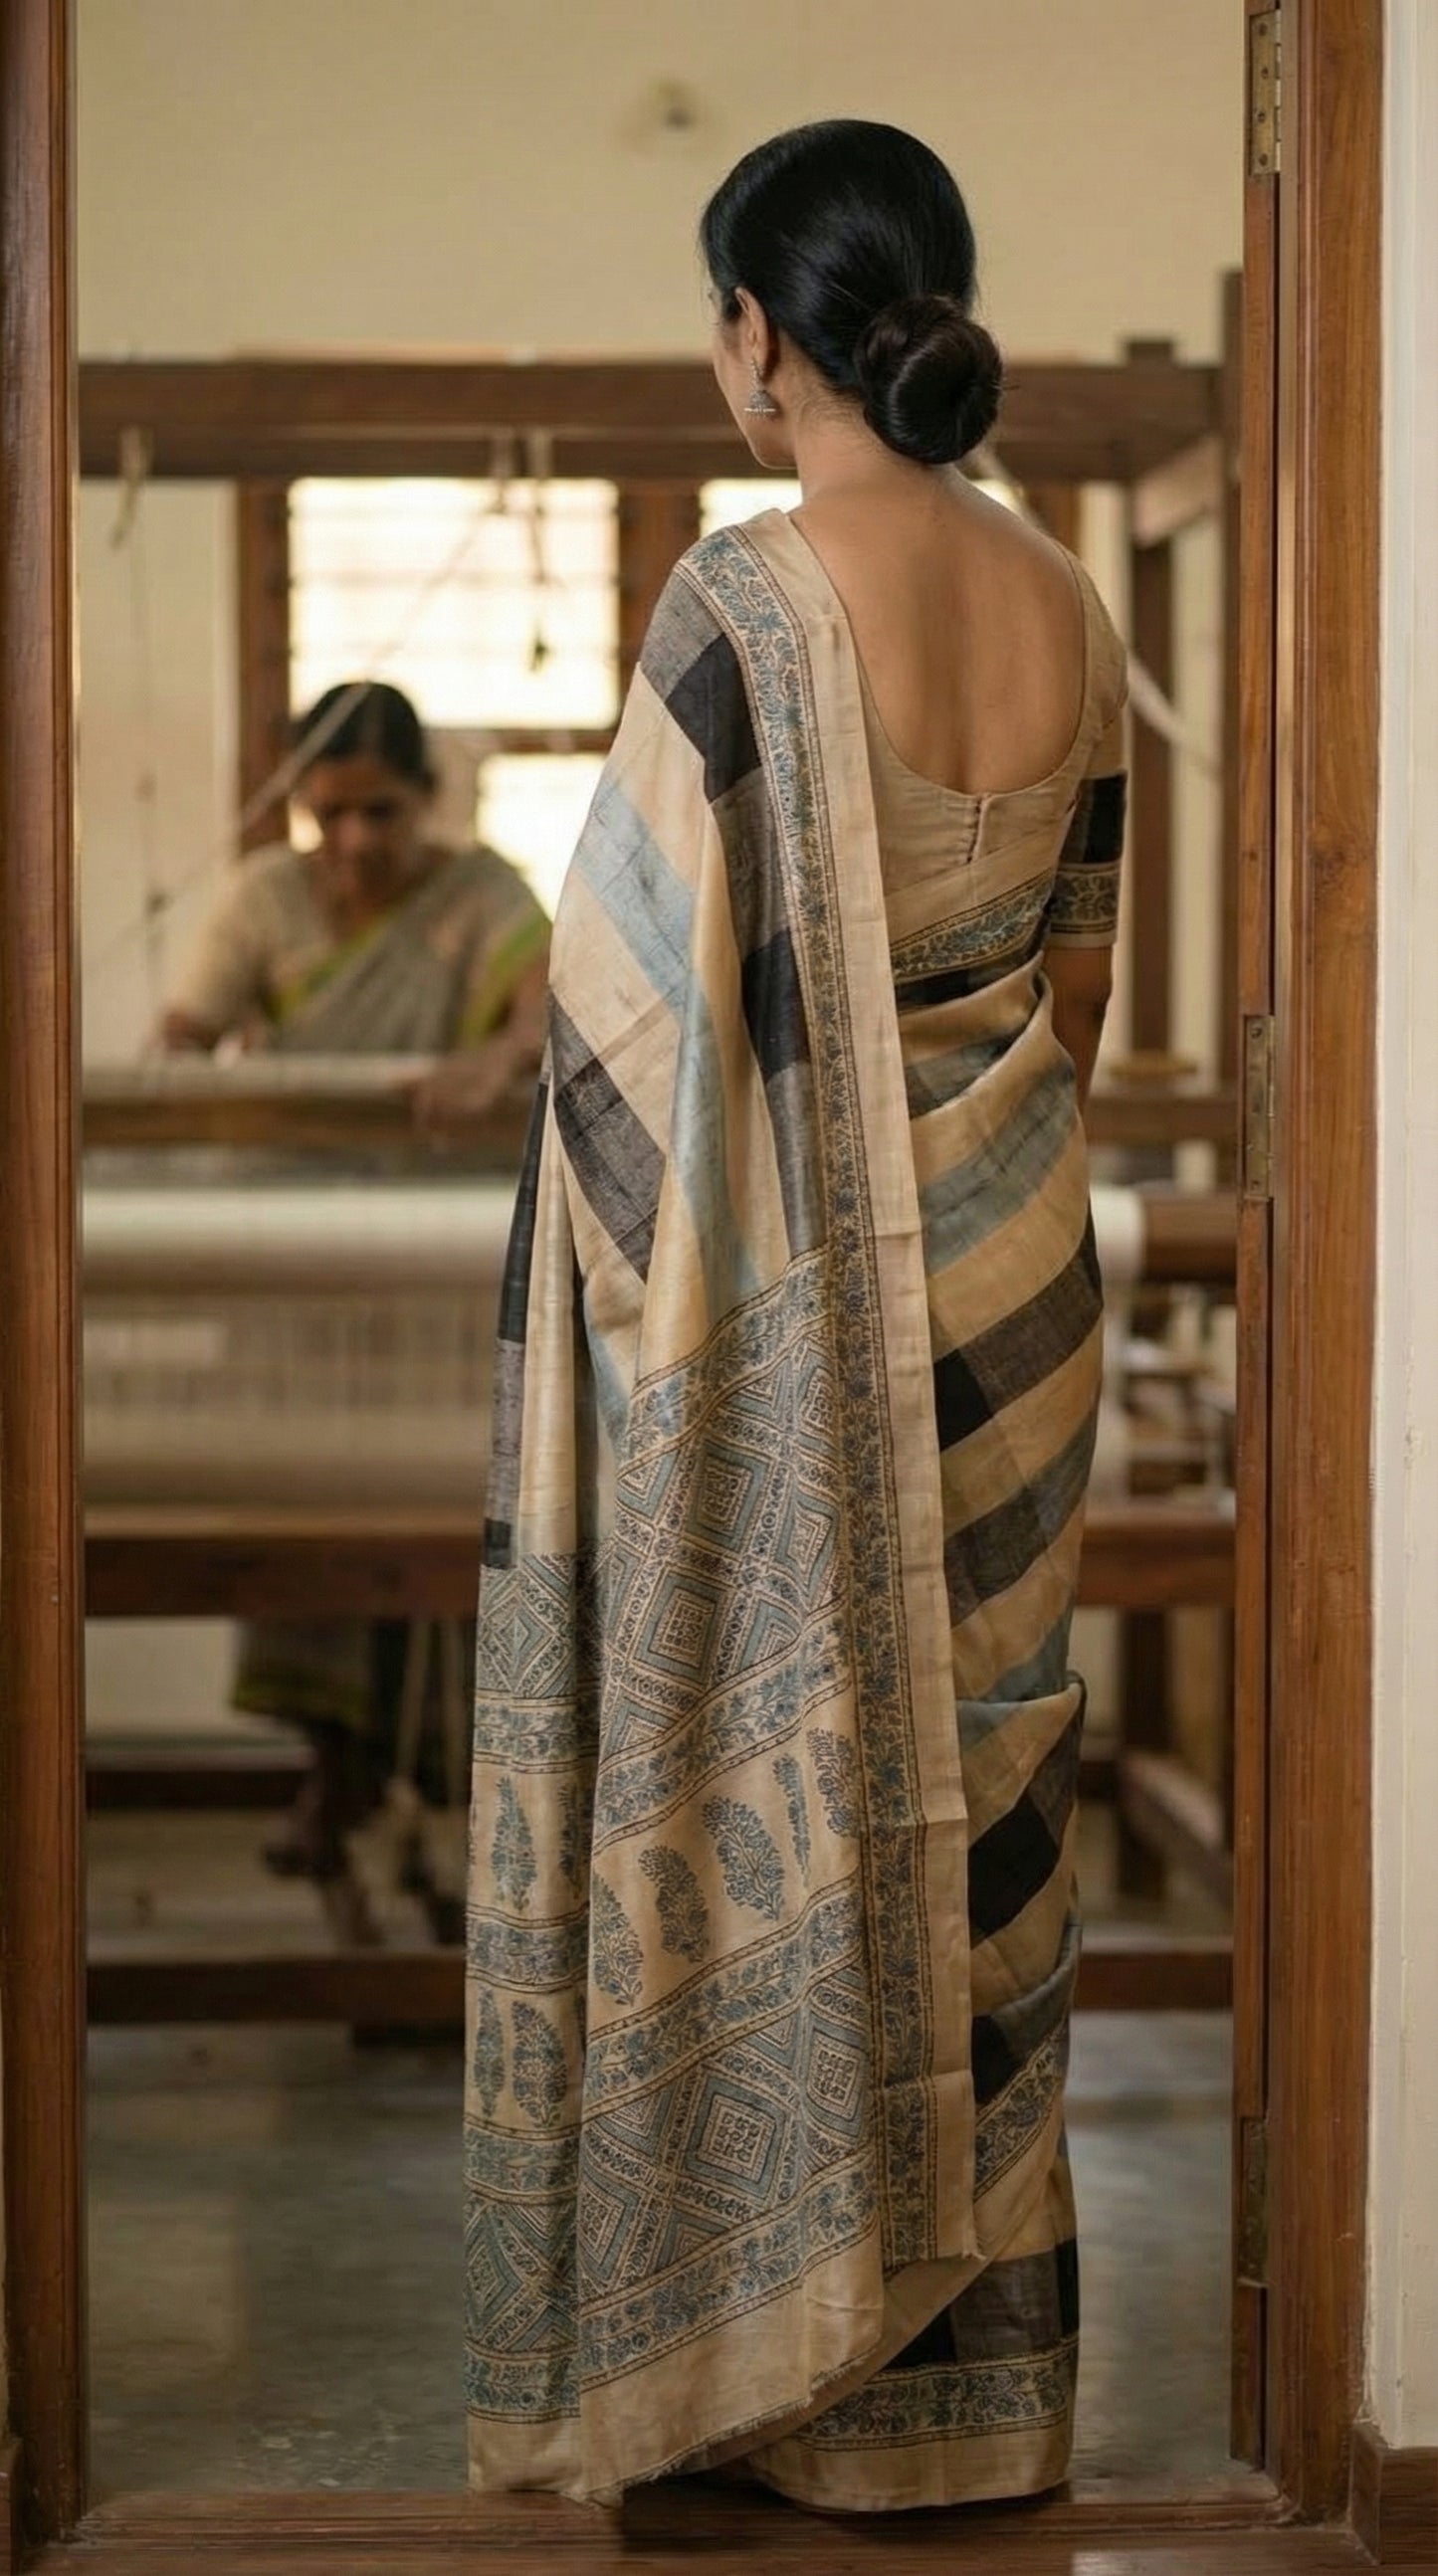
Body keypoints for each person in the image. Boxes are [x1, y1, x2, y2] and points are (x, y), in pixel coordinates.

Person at [464, 120, 1128, 2510]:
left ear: (760, 330)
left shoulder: (737, 607)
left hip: (796, 1319)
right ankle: (969, 2409)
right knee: (986, 1805)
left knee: (800, 1791)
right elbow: (1080, 980)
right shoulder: (1073, 601)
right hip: (1019, 1284)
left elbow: (614, 1032)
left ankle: (774, 2376)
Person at [161, 681, 550, 1896]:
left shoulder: (482, 894)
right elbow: (177, 1039)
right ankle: (331, 1773)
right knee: (306, 1514)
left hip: (434, 1265)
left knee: (445, 1523)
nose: (354, 844)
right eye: (328, 817)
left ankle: (449, 1789)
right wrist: (195, 1081)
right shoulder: (264, 902)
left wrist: (495, 1058)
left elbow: (552, 1010)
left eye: (381, 813)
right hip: (296, 1268)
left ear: (426, 802)